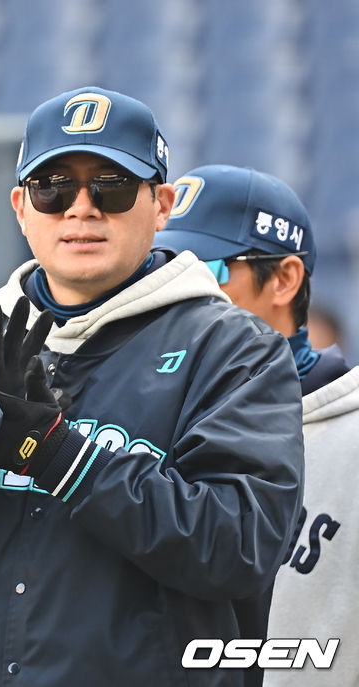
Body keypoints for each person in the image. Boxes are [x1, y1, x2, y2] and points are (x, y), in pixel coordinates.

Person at [0, 87, 304, 687]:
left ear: (162, 205)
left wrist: (58, 454)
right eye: (53, 188)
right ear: (22, 207)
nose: (81, 209)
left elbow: (239, 548)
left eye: (112, 186)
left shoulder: (235, 349)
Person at [155, 164, 359, 687]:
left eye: (204, 269)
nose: (171, 289)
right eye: (161, 268)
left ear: (285, 280)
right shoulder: (140, 419)